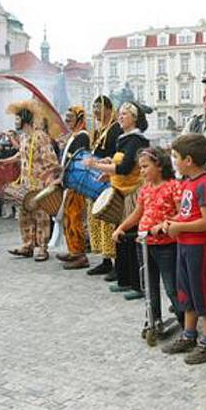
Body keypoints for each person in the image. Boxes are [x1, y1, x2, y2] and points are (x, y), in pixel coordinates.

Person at [160, 134, 206, 364]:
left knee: (203, 294)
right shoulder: (188, 183)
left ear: (188, 160)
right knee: (187, 293)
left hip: (199, 249)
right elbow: (186, 214)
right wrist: (170, 222)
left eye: (175, 157)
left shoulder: (205, 185)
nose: (173, 161)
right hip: (184, 247)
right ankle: (189, 335)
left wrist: (179, 226)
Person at [112, 147, 183, 330]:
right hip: (144, 244)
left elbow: (182, 213)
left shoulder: (173, 186)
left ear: (159, 165)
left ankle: (185, 322)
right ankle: (153, 318)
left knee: (171, 287)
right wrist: (121, 227)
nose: (142, 171)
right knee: (149, 287)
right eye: (140, 167)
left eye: (145, 167)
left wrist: (164, 225)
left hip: (166, 245)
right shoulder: (145, 189)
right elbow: (137, 214)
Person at [87, 101, 149, 298]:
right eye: (119, 114)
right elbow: (118, 162)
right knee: (120, 237)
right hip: (121, 191)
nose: (120, 117)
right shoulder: (124, 139)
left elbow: (125, 168)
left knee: (130, 237)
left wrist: (96, 165)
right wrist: (107, 168)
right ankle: (124, 279)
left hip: (132, 193)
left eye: (125, 114)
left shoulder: (136, 140)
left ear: (134, 118)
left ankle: (137, 285)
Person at [0, 100, 59, 261]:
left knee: (41, 216)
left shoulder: (41, 136)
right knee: (24, 214)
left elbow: (52, 161)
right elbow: (20, 155)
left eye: (18, 118)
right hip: (25, 184)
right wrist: (6, 161)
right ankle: (27, 245)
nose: (16, 121)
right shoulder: (24, 137)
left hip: (39, 185)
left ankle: (41, 247)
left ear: (25, 118)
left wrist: (49, 180)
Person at [86, 95, 123, 278]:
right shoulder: (97, 129)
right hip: (95, 180)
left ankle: (117, 263)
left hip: (108, 179)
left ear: (109, 109)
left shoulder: (116, 129)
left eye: (99, 108)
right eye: (94, 109)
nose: (95, 112)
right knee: (97, 220)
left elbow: (117, 156)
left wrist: (108, 173)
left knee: (109, 220)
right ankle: (105, 260)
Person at [55, 106, 91, 270]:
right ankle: (73, 250)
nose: (67, 120)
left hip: (76, 182)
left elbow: (75, 160)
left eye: (71, 117)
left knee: (74, 217)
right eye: (66, 117)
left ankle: (80, 255)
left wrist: (61, 177)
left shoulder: (82, 136)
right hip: (70, 182)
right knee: (69, 217)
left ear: (79, 119)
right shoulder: (75, 136)